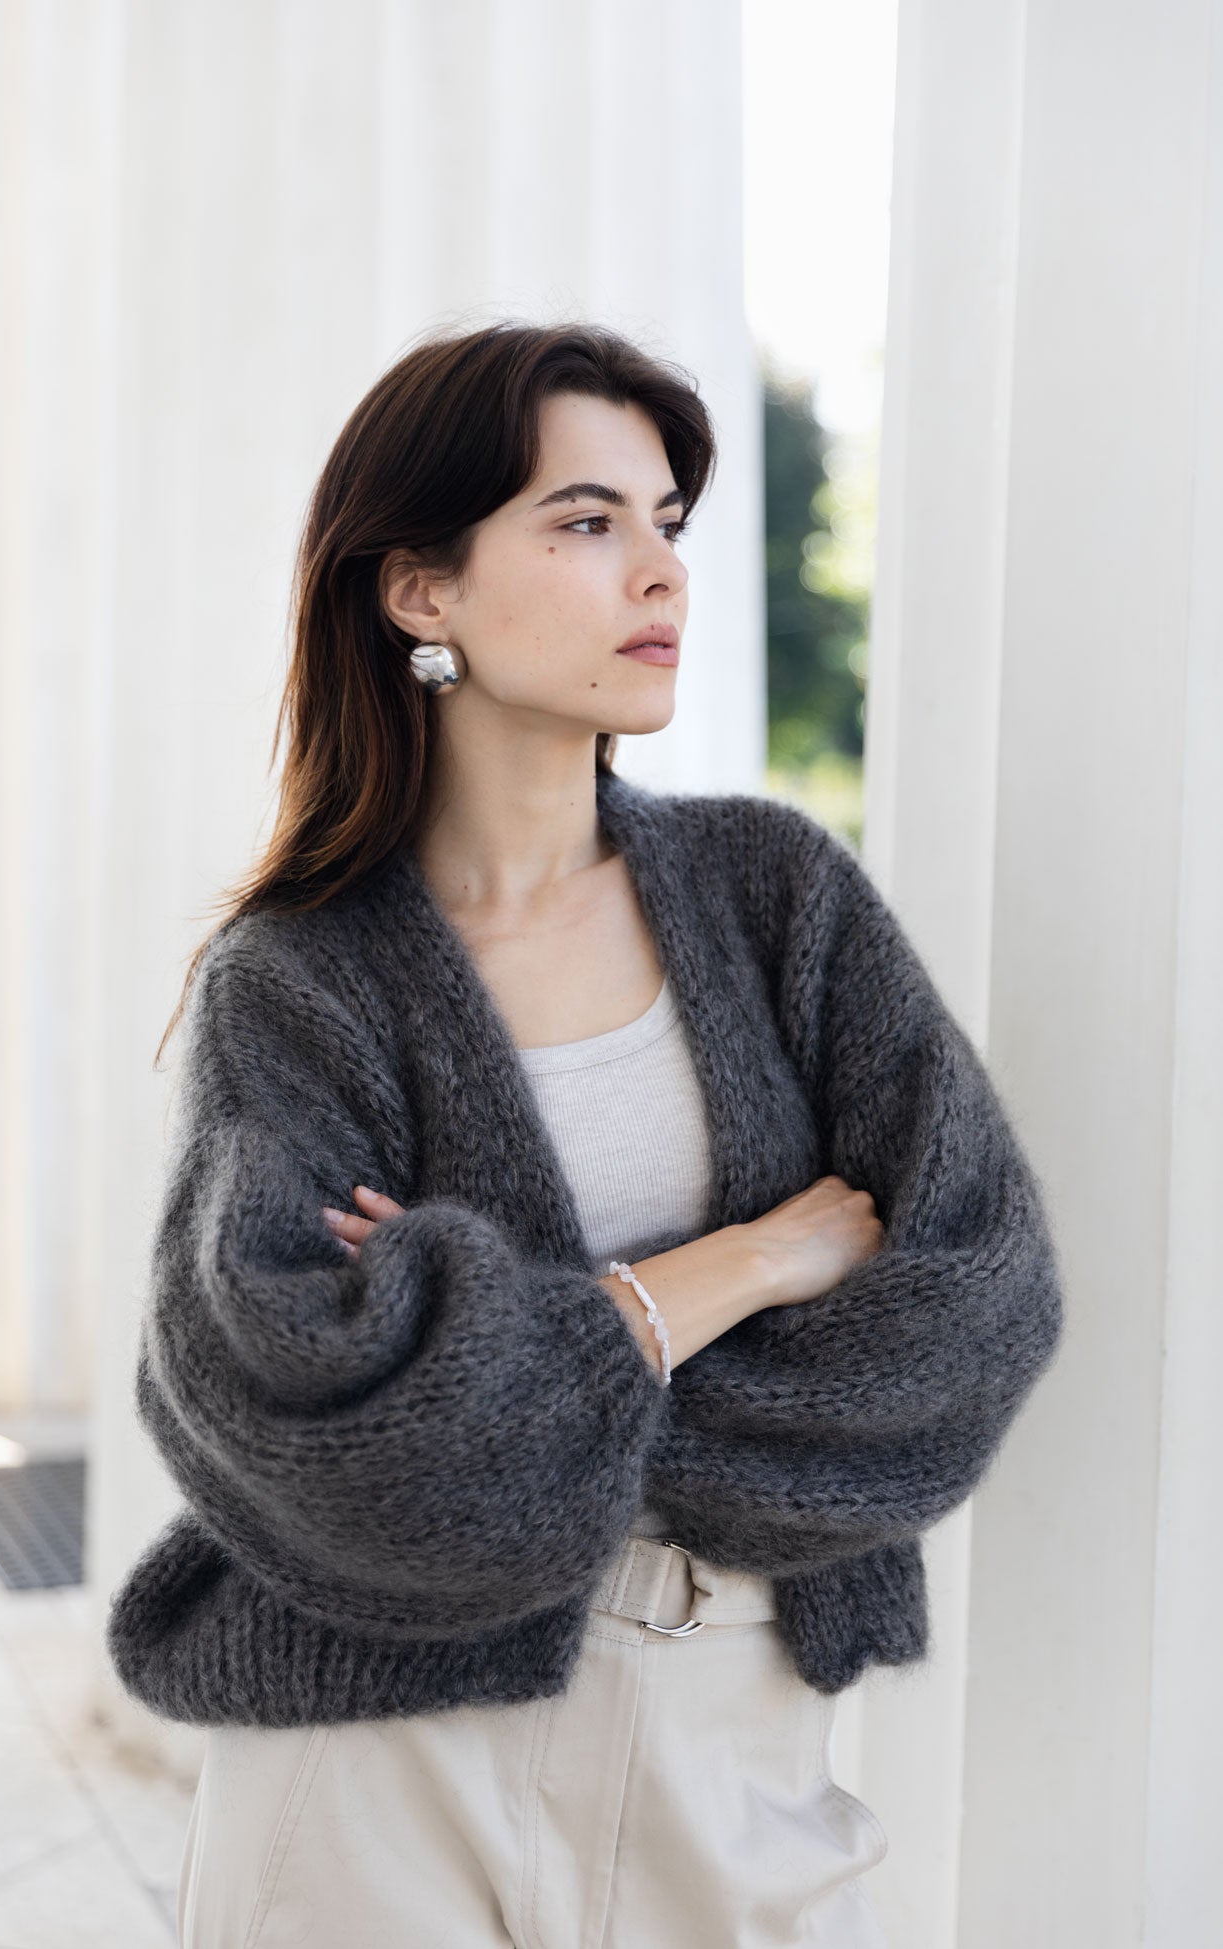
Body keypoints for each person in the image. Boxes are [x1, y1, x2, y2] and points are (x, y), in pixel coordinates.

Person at [106, 320, 1065, 1948]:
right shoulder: (301, 982)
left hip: (728, 1736)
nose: (660, 575)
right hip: (370, 1769)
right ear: (422, 589)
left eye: (667, 523)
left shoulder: (778, 897)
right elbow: (288, 1412)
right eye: (584, 521)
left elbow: (972, 1317)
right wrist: (748, 1265)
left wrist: (490, 1386)